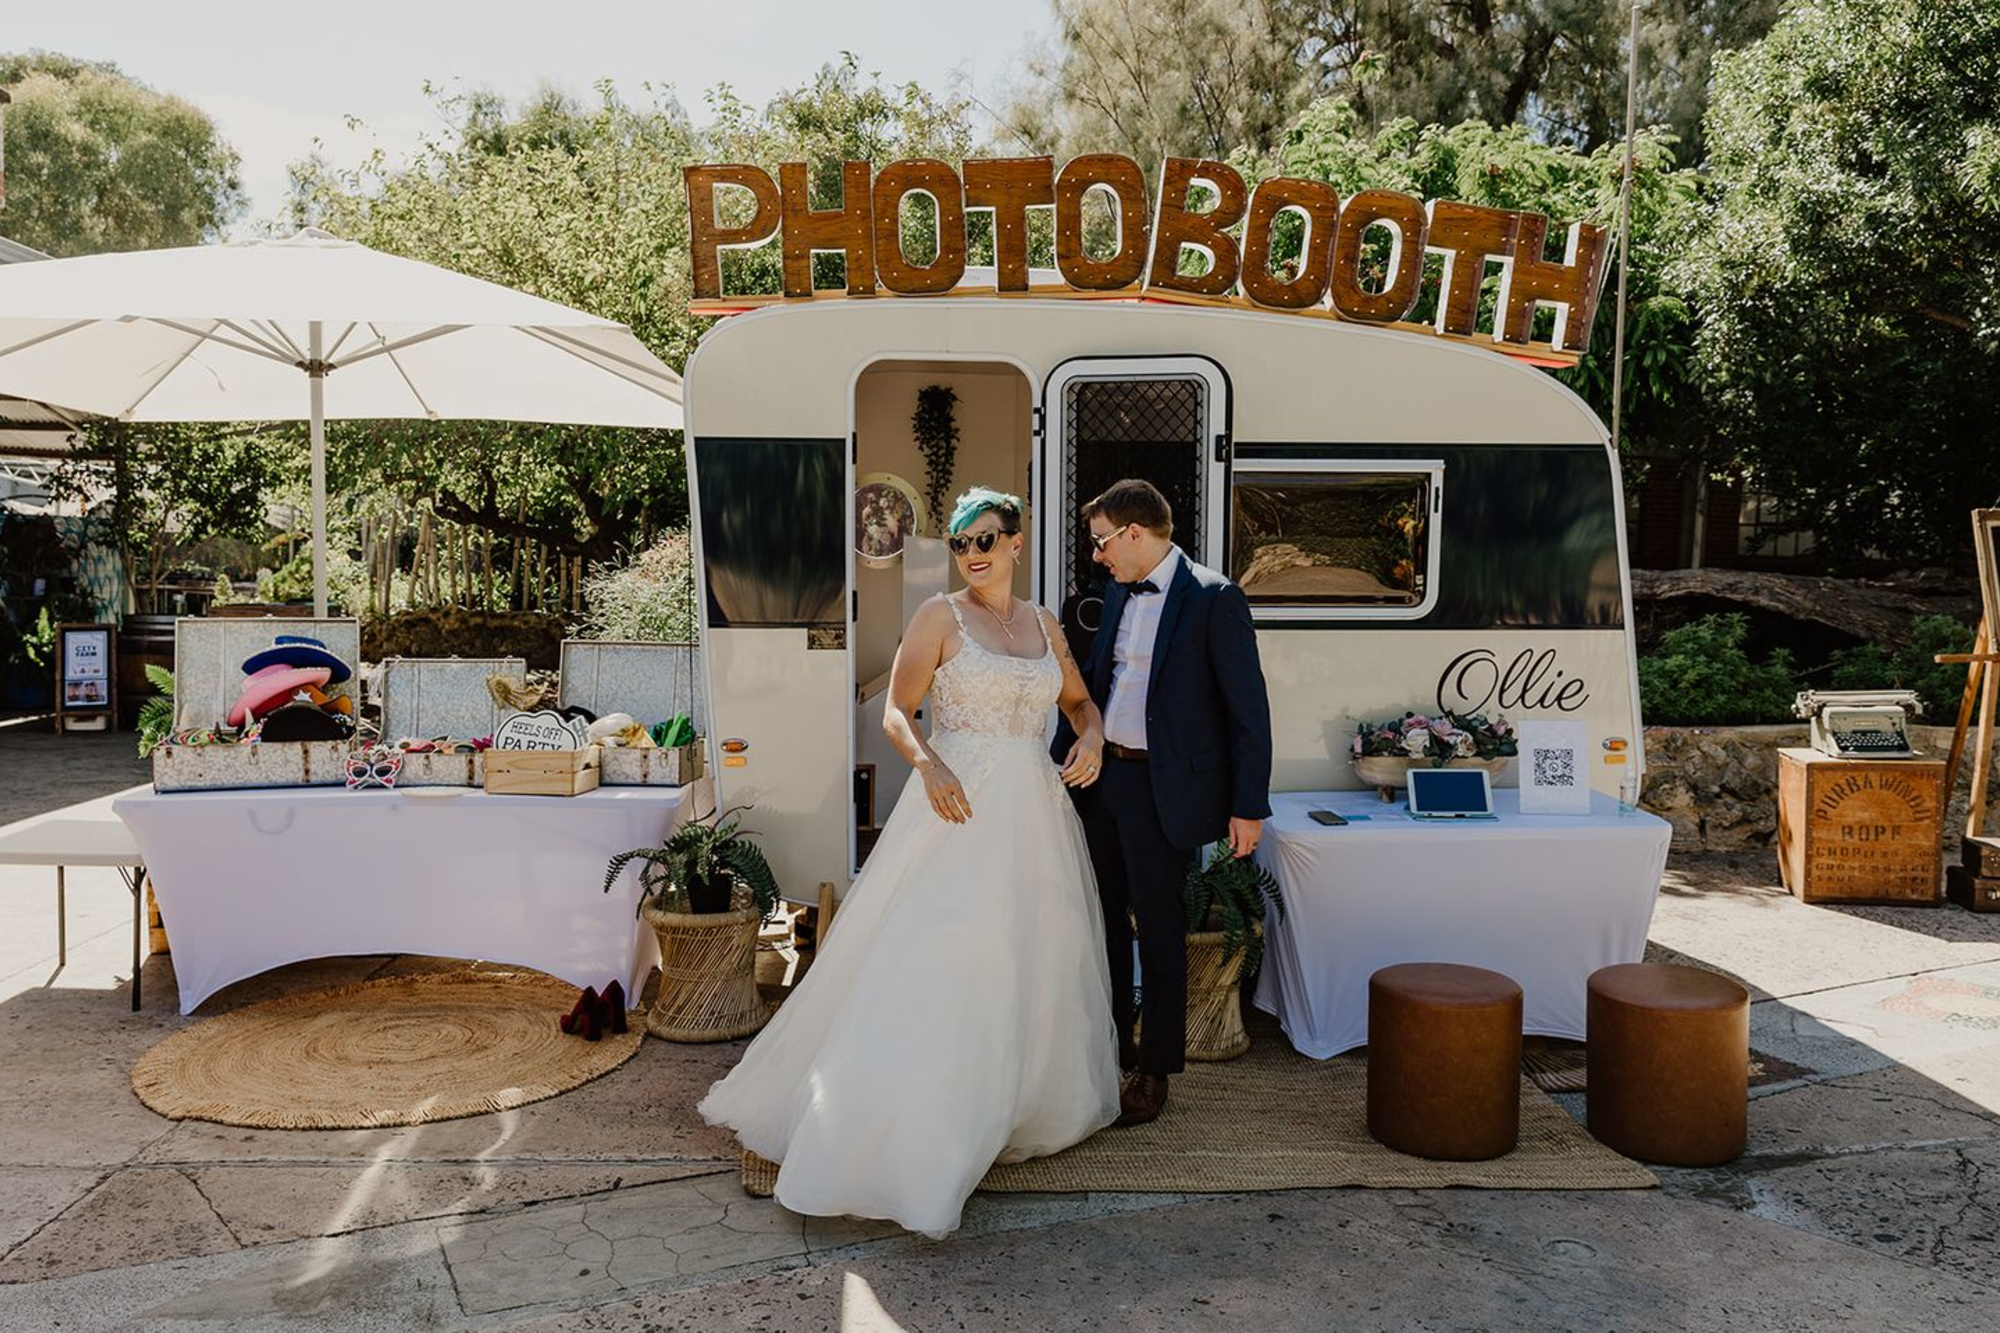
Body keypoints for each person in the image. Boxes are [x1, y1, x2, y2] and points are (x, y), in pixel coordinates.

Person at [700, 486, 1120, 1239]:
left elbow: (1079, 702)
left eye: (985, 539)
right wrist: (928, 765)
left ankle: (1016, 1100)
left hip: (1034, 815)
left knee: (1030, 956)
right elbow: (896, 710)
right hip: (955, 807)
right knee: (942, 957)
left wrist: (1090, 736)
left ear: (1016, 542)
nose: (973, 554)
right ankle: (916, 1123)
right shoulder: (938, 616)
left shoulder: (1044, 624)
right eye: (961, 543)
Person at [1060, 478, 1273, 1127]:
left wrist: (1247, 807)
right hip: (1104, 782)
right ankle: (1113, 1049)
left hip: (1164, 790)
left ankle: (1154, 1071)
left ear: (1134, 533)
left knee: (1157, 930)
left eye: (1102, 541)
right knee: (1100, 919)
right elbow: (1098, 681)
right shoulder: (1117, 592)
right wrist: (1059, 761)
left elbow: (1248, 711)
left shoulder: (1215, 598)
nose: (1097, 555)